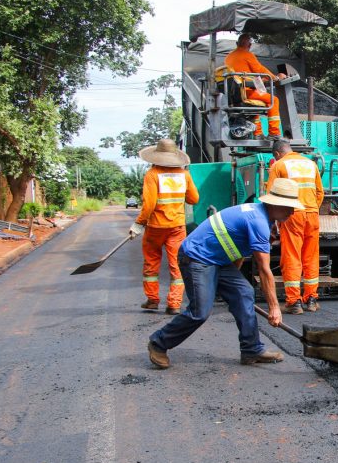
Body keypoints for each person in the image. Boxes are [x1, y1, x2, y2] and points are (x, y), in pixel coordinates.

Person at [146, 178, 304, 369]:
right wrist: (275, 308)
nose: (292, 211)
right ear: (274, 204)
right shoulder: (258, 222)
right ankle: (158, 343)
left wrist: (229, 285)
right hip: (197, 258)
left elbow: (236, 250)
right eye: (289, 207)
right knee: (200, 312)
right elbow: (264, 270)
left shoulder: (260, 215)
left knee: (244, 292)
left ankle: (251, 349)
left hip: (217, 261)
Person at [131, 139, 200, 315]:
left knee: (151, 263)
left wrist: (139, 223)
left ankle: (153, 300)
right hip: (177, 226)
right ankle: (174, 303)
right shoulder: (184, 175)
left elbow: (149, 205)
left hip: (155, 227)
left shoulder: (152, 174)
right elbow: (194, 199)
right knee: (176, 264)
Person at [265, 139, 324, 314]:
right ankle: (311, 299)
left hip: (292, 214)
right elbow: (320, 192)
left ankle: (294, 302)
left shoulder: (279, 165)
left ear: (276, 154)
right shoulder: (310, 163)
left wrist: (274, 221)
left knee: (292, 255)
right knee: (311, 256)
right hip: (312, 213)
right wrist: (312, 207)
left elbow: (271, 196)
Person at [224, 33, 286, 138]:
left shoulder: (228, 57)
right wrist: (275, 77)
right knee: (274, 100)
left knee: (256, 106)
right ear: (249, 45)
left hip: (233, 95)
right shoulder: (247, 55)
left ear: (237, 43)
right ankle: (274, 133)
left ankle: (258, 133)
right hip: (246, 91)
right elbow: (259, 70)